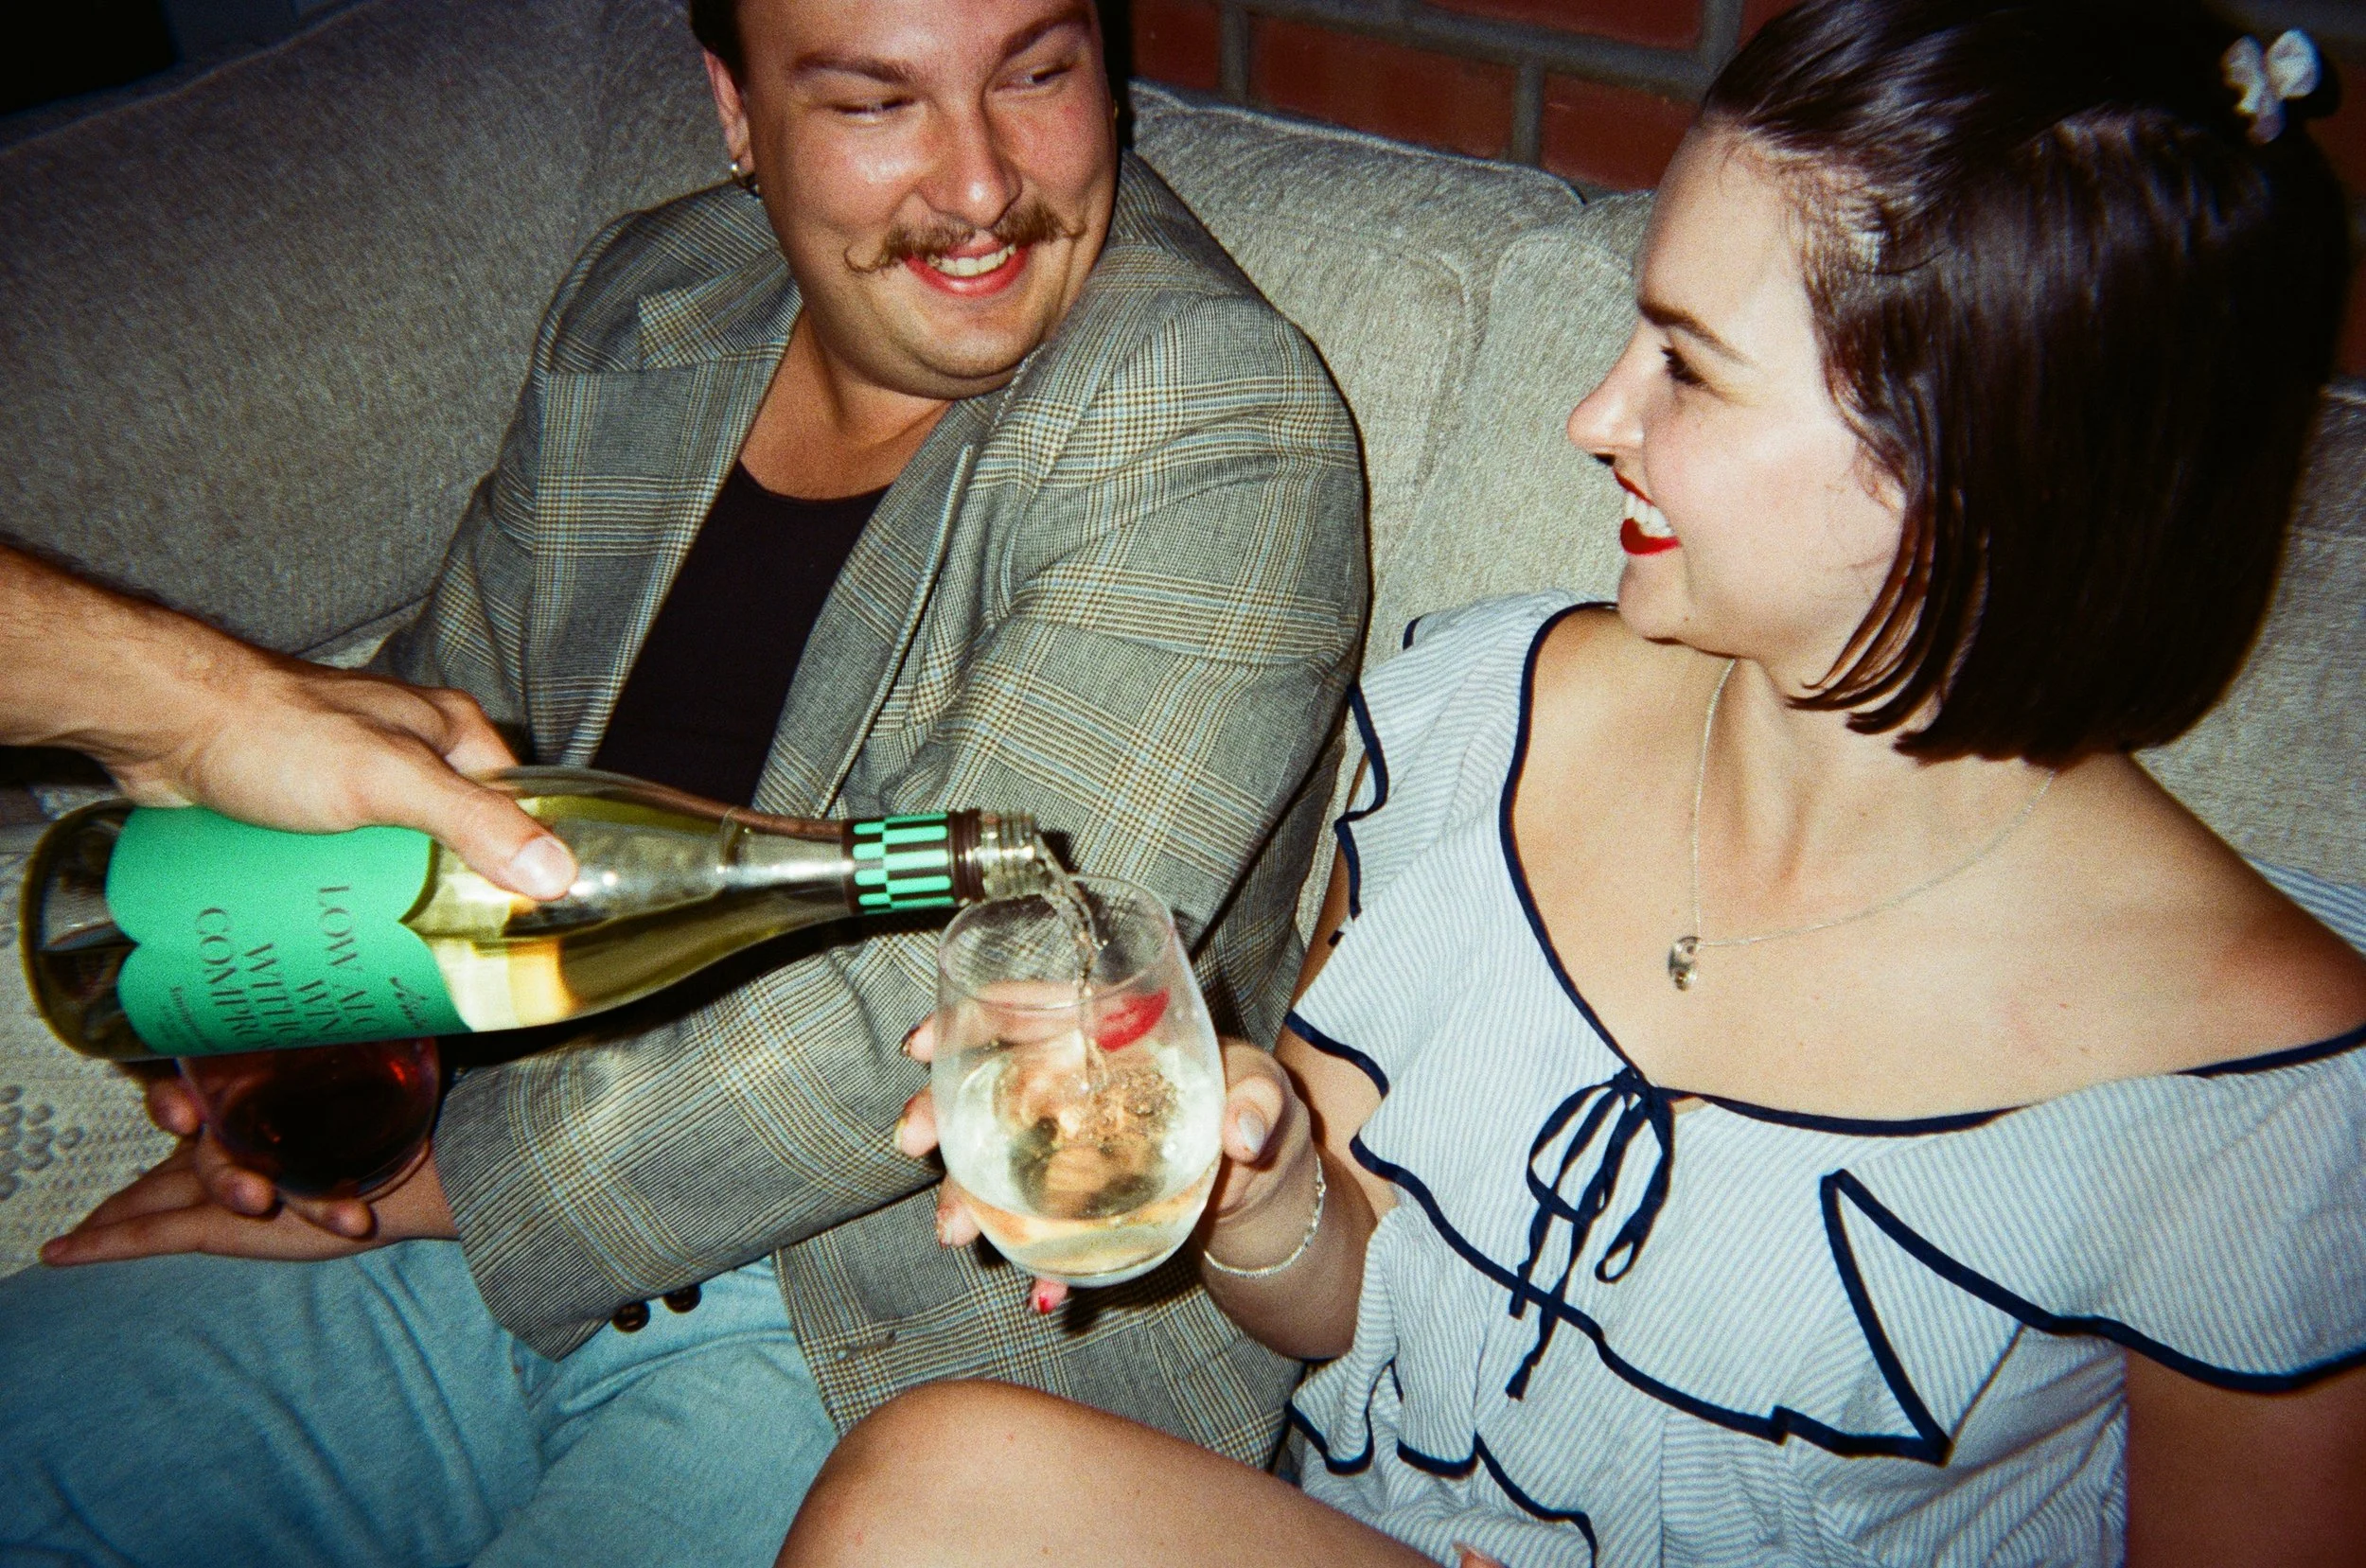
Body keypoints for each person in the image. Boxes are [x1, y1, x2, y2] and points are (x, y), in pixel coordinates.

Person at [781, 3, 2366, 1564]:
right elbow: (1349, 1304)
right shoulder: (1480, 712)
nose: (1597, 414)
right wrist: (1254, 1190)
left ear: (1985, 467)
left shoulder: (2260, 1094)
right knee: (927, 1479)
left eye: (1688, 364)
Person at [0, 0, 1365, 1559]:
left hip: (906, 1331)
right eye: (875, 103)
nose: (982, 187)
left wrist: (433, 1185)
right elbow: (437, 736)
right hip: (474, 1196)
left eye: (1036, 76)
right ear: (734, 110)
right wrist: (291, 1011)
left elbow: (972, 989)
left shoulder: (1209, 408)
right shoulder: (651, 300)